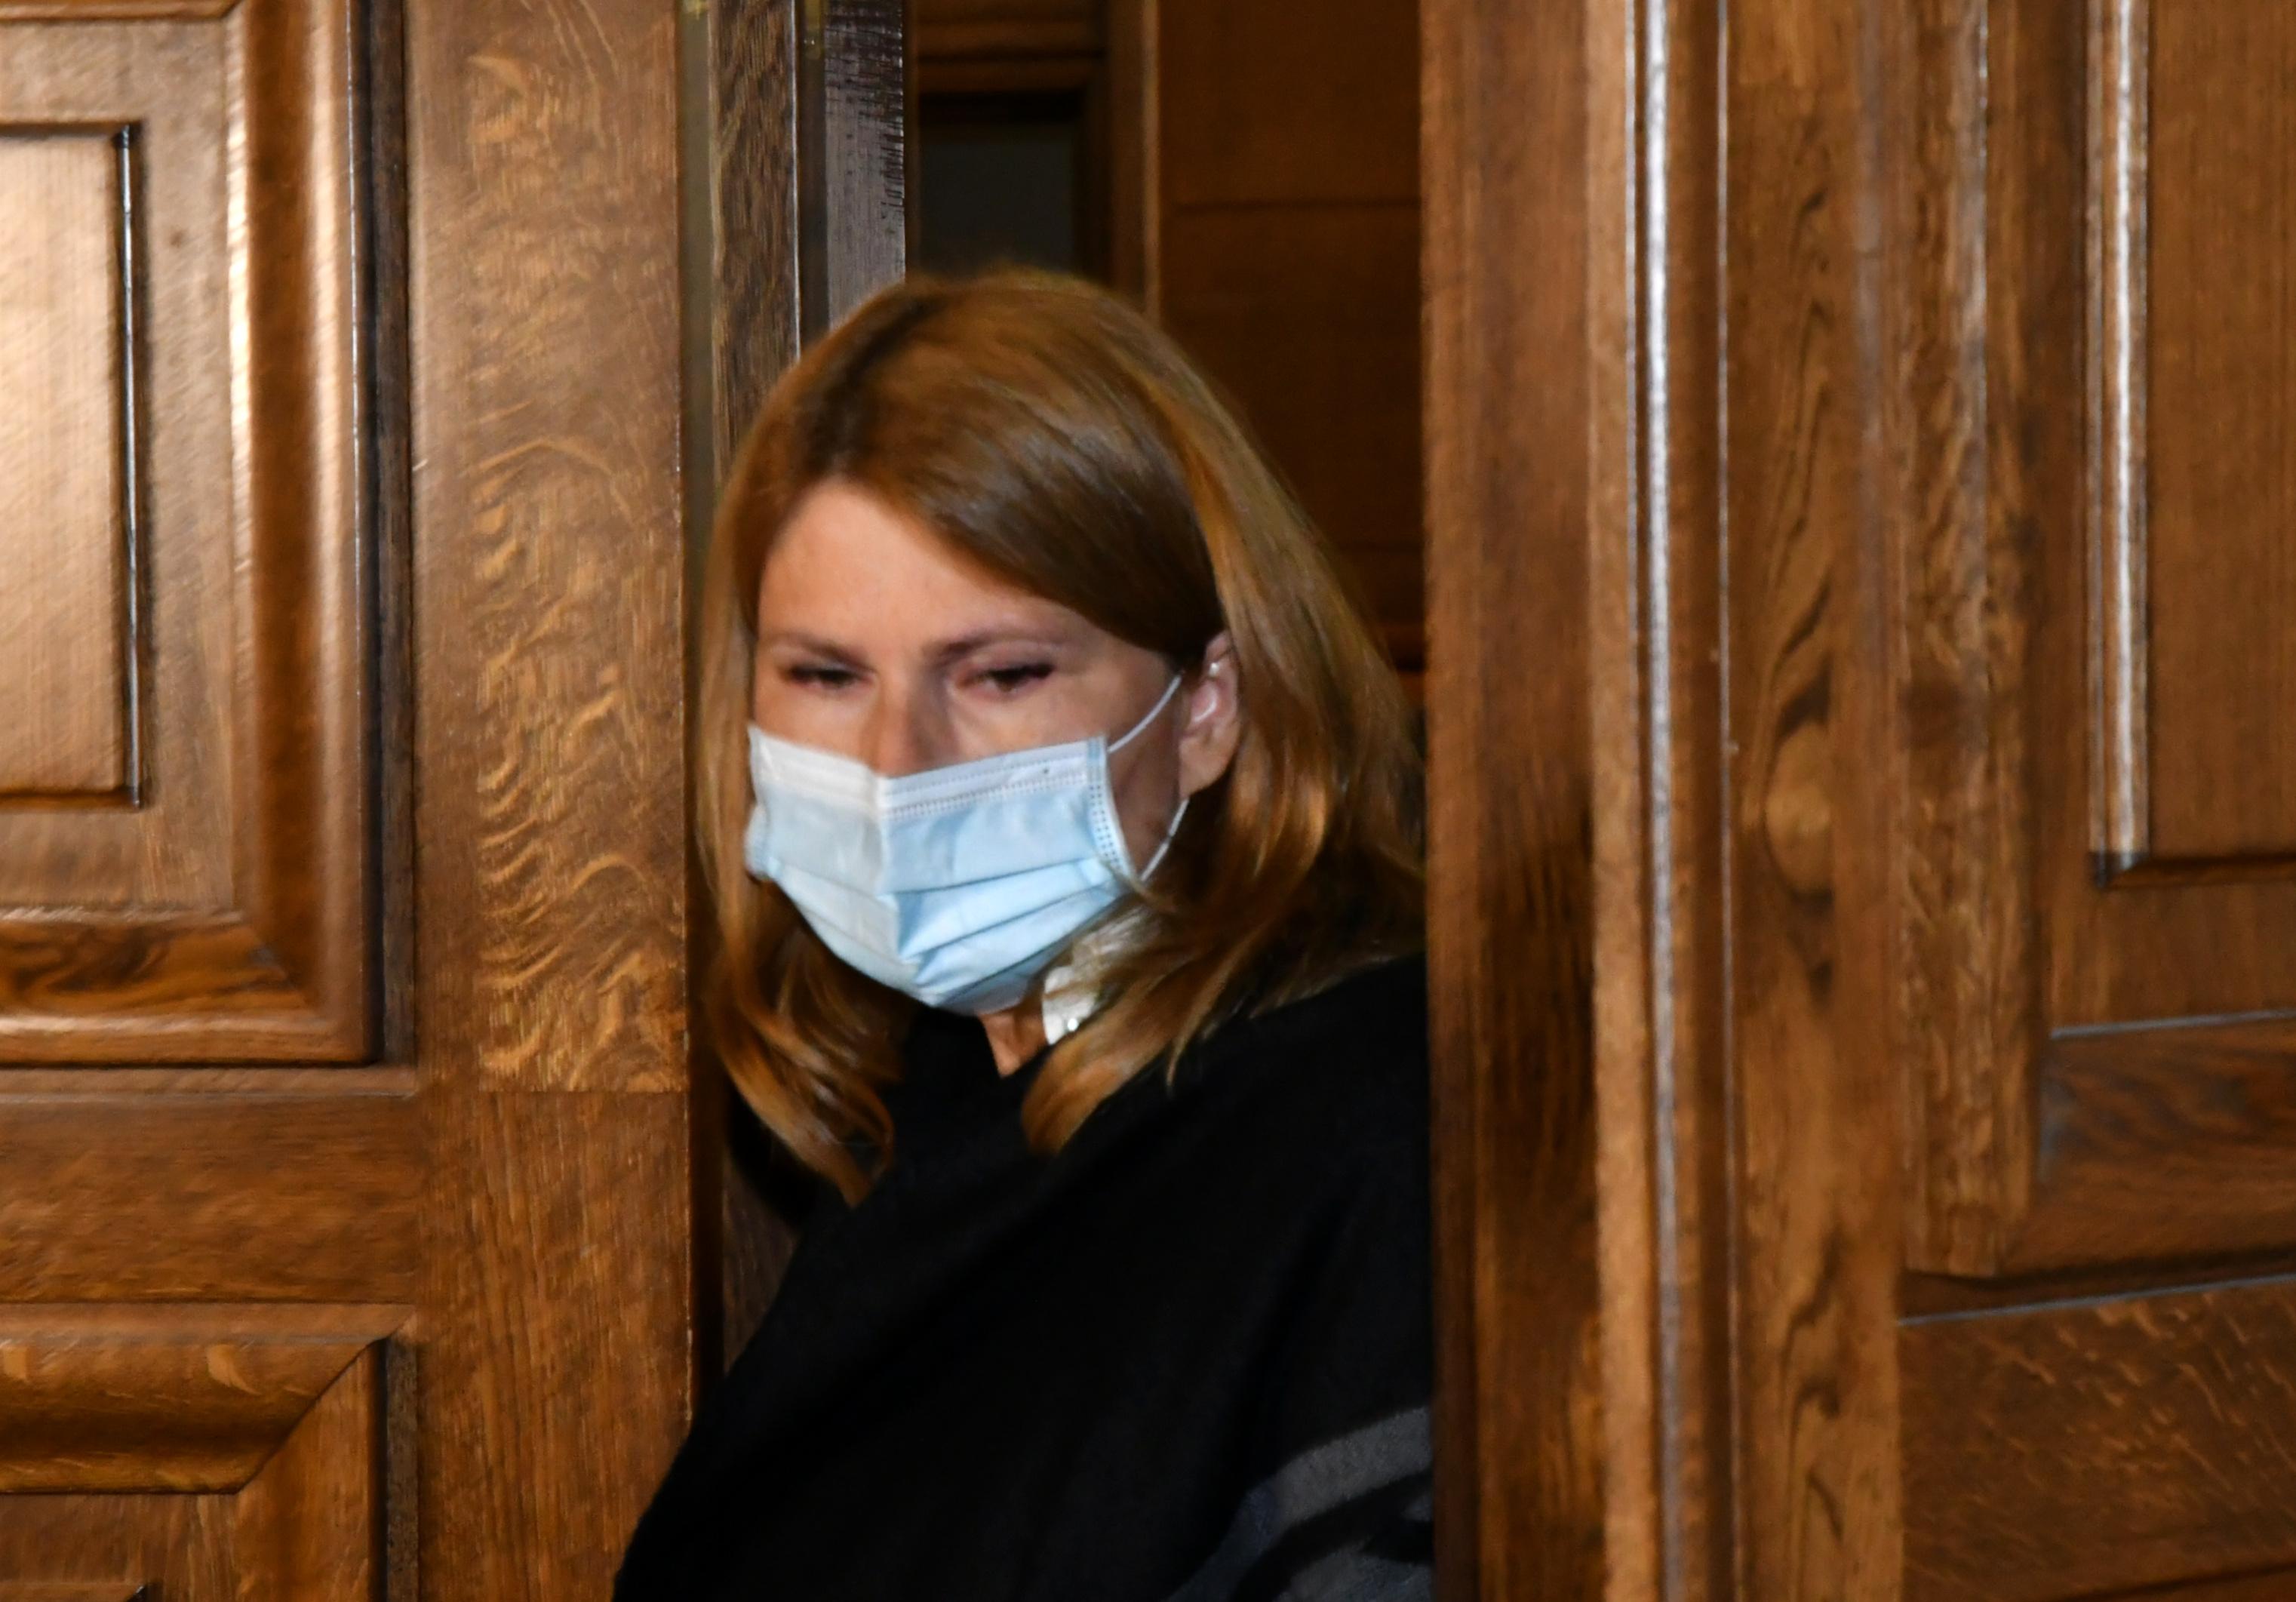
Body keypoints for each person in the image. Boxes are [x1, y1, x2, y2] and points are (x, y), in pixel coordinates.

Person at [613, 268, 1432, 1601]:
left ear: (1207, 706)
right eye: (826, 675)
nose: (897, 762)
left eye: (1001, 675)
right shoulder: (929, 1096)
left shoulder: (1371, 1123)